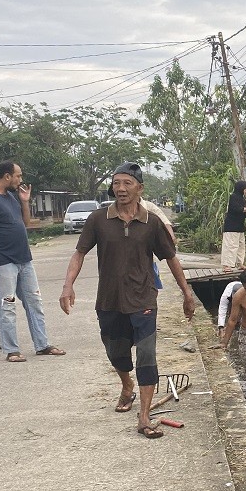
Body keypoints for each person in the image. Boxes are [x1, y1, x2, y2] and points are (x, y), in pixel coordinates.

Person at [59, 162, 197, 438]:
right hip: (109, 300)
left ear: (139, 188)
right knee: (117, 353)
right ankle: (126, 385)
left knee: (147, 357)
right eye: (116, 183)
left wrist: (187, 292)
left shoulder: (151, 223)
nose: (120, 188)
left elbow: (170, 258)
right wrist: (67, 285)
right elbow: (80, 253)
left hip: (143, 298)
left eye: (127, 183)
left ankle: (144, 417)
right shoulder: (98, 220)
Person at [0, 161, 66, 363]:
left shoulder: (11, 197)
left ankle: (42, 345)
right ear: (7, 176)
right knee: (7, 305)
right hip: (2, 261)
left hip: (23, 259)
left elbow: (25, 223)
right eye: (18, 176)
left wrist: (24, 201)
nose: (20, 180)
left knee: (34, 302)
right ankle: (11, 349)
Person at [221, 179, 246, 271]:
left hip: (240, 226)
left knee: (241, 246)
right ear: (241, 188)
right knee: (231, 246)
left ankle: (240, 263)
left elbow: (245, 211)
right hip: (231, 226)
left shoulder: (242, 198)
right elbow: (238, 209)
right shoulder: (234, 197)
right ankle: (227, 265)